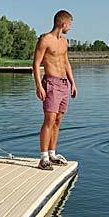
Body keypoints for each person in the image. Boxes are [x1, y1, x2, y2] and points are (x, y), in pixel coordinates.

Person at [33, 10, 77, 170]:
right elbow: (36, 64)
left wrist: (73, 83)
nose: (70, 28)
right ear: (63, 24)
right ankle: (43, 158)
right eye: (70, 25)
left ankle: (52, 154)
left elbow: (66, 63)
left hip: (64, 84)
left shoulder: (64, 42)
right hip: (50, 83)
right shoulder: (45, 40)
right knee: (49, 119)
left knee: (58, 119)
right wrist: (39, 86)